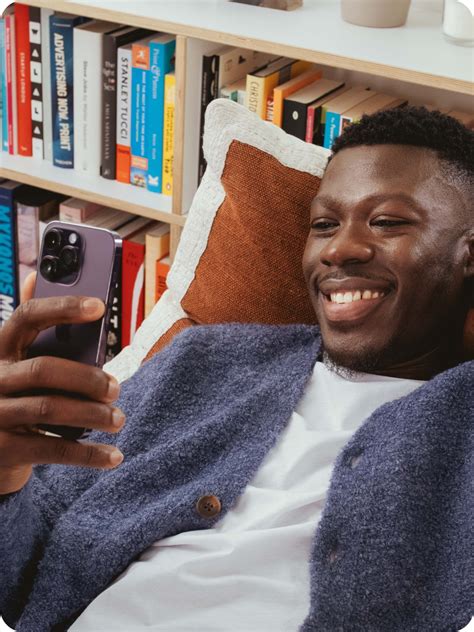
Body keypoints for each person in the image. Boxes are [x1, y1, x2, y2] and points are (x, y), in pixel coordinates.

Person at [0, 106, 472, 632]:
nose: (339, 249)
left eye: (387, 222)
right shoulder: (202, 361)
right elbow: (26, 572)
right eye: (323, 225)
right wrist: (5, 479)